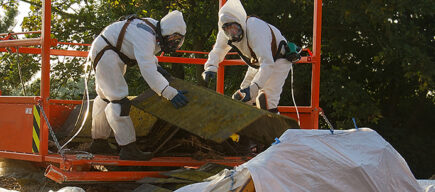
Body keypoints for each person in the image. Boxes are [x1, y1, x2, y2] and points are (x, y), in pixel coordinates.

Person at [88, 10, 188, 161]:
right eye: (173, 39)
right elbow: (147, 69)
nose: (174, 43)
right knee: (119, 101)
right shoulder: (146, 35)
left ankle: (99, 142)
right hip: (107, 53)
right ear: (166, 33)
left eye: (178, 40)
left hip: (107, 51)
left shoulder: (154, 28)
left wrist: (158, 69)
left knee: (104, 97)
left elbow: (147, 56)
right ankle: (128, 149)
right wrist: (169, 92)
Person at [202, 0, 300, 113]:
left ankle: (277, 130)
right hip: (258, 63)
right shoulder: (225, 33)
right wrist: (210, 67)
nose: (232, 33)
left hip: (278, 59)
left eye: (234, 28)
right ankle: (248, 129)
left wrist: (254, 88)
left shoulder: (255, 29)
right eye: (228, 30)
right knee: (243, 98)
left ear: (240, 23)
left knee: (266, 101)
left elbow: (267, 63)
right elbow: (218, 50)